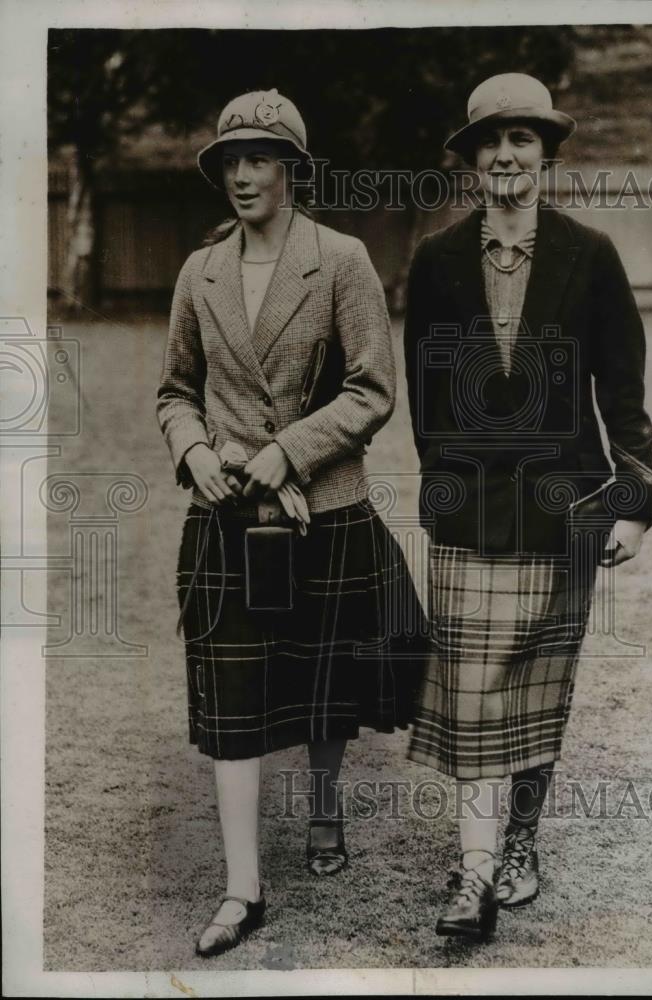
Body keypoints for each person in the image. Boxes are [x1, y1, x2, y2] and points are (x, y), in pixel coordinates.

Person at [157, 89, 424, 957]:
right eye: (231, 159)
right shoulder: (199, 272)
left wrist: (290, 452)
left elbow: (373, 390)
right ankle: (244, 888)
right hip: (227, 515)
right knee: (234, 698)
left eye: (261, 158)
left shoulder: (340, 259)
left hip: (325, 509)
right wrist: (195, 451)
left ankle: (322, 808)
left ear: (294, 170)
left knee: (323, 684)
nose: (242, 175)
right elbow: (175, 391)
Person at [404, 73, 652, 940]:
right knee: (474, 691)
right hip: (470, 514)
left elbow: (623, 392)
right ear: (472, 158)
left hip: (566, 509)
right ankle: (471, 877)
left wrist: (630, 500)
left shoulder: (591, 255)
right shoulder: (436, 262)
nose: (506, 154)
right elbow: (426, 401)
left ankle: (518, 842)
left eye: (523, 139)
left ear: (546, 154)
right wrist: (444, 495)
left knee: (538, 691)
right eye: (491, 140)